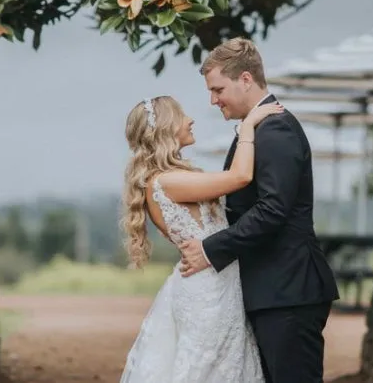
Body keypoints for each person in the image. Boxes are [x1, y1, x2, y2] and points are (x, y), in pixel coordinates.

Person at [179, 37, 340, 383]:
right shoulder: (257, 128)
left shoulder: (276, 128)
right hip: (275, 290)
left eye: (218, 88)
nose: (213, 99)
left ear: (246, 79)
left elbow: (273, 210)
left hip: (288, 291)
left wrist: (210, 250)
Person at [119, 94, 283, 382]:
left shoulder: (165, 179)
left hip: (214, 285)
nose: (190, 119)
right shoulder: (167, 182)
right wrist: (248, 126)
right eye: (182, 115)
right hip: (207, 293)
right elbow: (240, 177)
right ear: (166, 129)